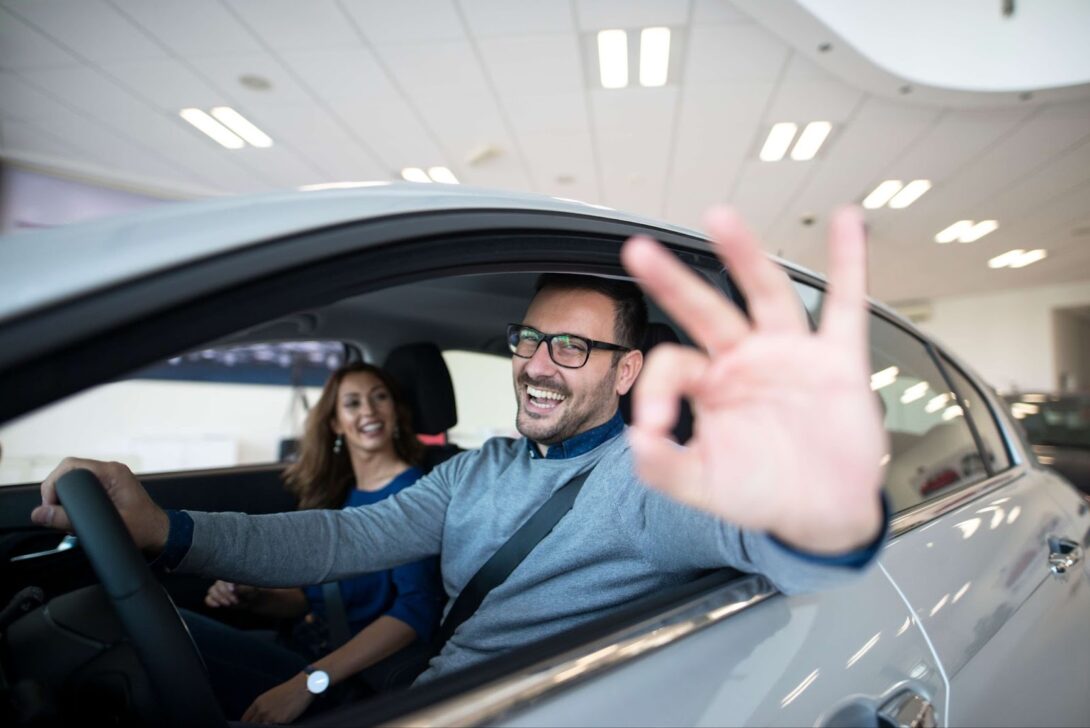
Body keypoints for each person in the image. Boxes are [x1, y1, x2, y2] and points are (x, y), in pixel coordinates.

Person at [33, 206, 888, 687]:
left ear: (628, 372)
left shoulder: (649, 482)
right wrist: (165, 530)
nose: (536, 367)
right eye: (529, 339)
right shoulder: (480, 469)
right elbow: (343, 539)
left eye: (572, 348)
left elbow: (787, 549)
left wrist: (827, 502)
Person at [183, 362, 443, 723]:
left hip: (338, 677)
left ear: (396, 412)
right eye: (353, 403)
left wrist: (310, 682)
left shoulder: (416, 492)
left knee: (171, 639)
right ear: (335, 423)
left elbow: (416, 612)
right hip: (305, 646)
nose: (368, 410)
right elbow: (318, 600)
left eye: (379, 397)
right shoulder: (349, 493)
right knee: (174, 633)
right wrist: (254, 597)